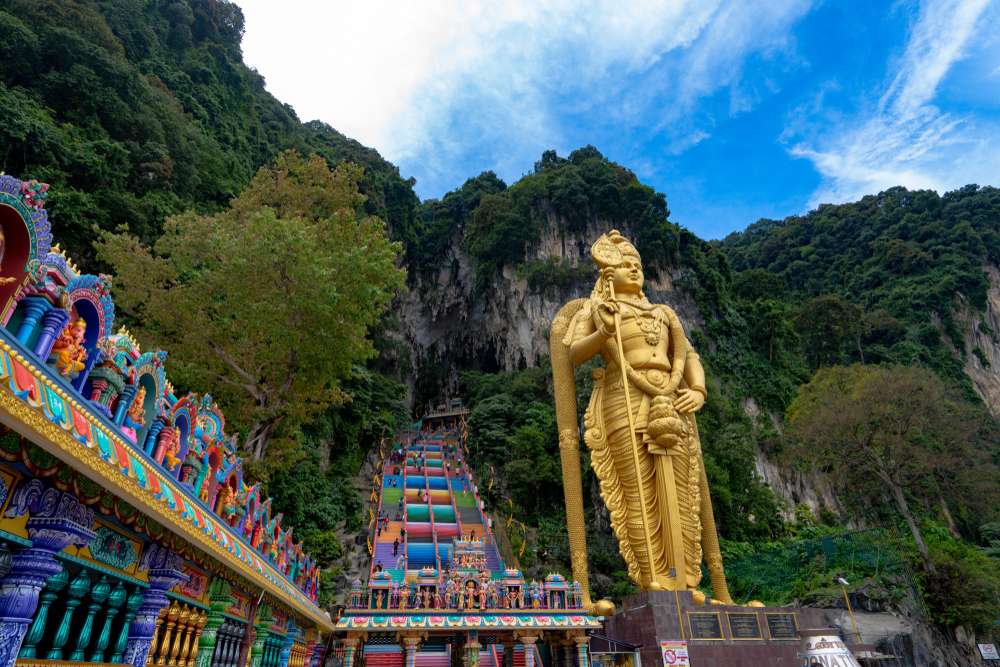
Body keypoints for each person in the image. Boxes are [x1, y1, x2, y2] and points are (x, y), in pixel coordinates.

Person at [556, 230, 731, 600]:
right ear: (607, 272)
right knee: (637, 491)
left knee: (684, 492)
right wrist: (603, 329)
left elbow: (689, 357)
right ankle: (653, 576)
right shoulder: (598, 309)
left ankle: (685, 579)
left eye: (637, 265)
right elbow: (573, 353)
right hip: (623, 399)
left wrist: (697, 389)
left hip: (672, 401)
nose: (633, 271)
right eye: (624, 265)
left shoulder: (664, 313)